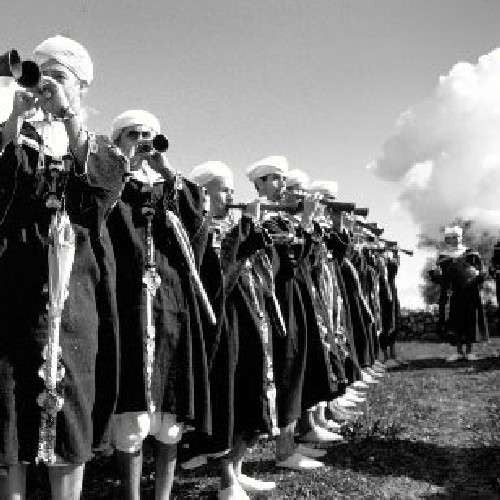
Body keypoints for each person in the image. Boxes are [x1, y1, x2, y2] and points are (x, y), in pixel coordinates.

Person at [0, 36, 125, 499]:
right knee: (8, 413)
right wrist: (14, 119)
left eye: (60, 75)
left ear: (81, 87)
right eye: (42, 71)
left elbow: (100, 197)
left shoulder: (94, 145)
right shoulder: (16, 137)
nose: (47, 82)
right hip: (11, 292)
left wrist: (68, 114)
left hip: (74, 297)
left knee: (69, 410)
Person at [107, 110, 211, 500]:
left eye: (150, 135)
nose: (143, 141)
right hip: (128, 308)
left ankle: (163, 495)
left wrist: (166, 170)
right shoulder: (112, 183)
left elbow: (199, 224)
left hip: (169, 308)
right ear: (117, 139)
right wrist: (123, 167)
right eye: (133, 134)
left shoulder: (168, 190)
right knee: (131, 417)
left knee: (169, 419)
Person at [191, 161, 279, 499]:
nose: (231, 195)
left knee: (251, 392)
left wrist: (254, 229)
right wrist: (245, 227)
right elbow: (219, 279)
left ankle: (239, 470)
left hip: (249, 321)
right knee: (226, 398)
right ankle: (226, 480)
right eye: (224, 189)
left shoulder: (231, 226)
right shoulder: (200, 228)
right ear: (204, 192)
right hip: (221, 328)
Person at [430, 226, 489, 362]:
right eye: (452, 237)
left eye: (457, 237)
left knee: (470, 319)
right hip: (454, 293)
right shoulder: (443, 257)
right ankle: (458, 351)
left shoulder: (471, 254)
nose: (455, 239)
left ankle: (469, 351)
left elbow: (482, 271)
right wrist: (435, 274)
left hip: (470, 292)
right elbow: (439, 276)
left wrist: (478, 273)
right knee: (455, 321)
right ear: (448, 239)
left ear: (461, 237)